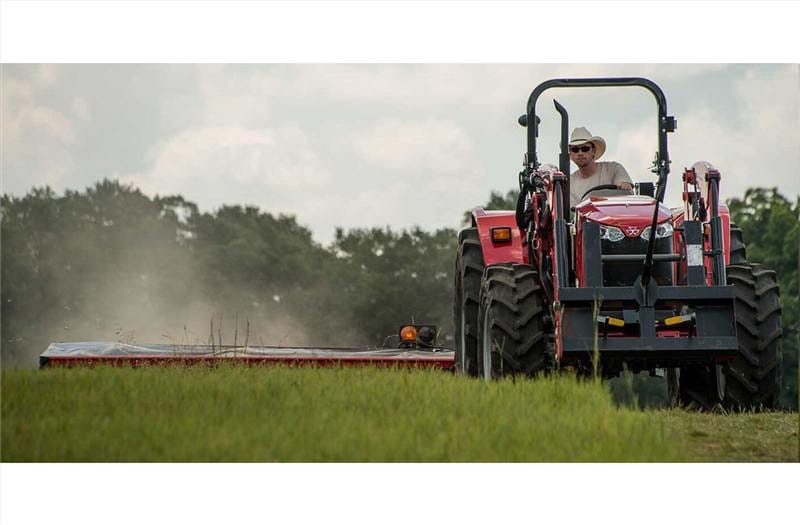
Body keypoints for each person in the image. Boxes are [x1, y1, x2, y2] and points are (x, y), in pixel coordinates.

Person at [567, 126, 633, 205]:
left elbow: (626, 192)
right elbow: (573, 214)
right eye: (575, 150)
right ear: (570, 153)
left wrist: (624, 185)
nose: (580, 153)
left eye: (585, 149)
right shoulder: (570, 183)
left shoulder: (614, 169)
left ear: (593, 151)